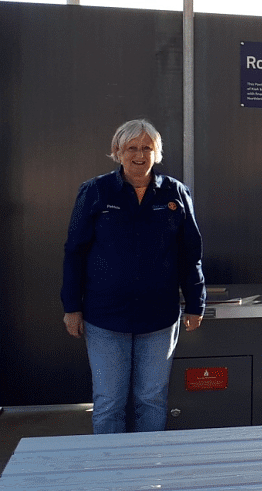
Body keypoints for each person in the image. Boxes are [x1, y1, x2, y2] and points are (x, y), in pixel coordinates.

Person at [61, 119, 206, 434]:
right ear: (117, 151)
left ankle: (147, 475)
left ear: (157, 153)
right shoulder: (95, 192)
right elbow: (74, 252)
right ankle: (111, 477)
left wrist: (196, 303)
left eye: (147, 148)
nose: (139, 155)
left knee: (151, 400)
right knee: (110, 402)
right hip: (105, 319)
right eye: (132, 148)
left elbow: (190, 254)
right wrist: (71, 307)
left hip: (159, 319)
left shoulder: (175, 193)